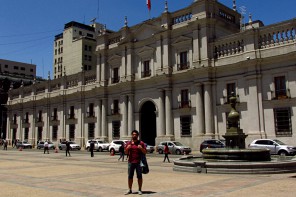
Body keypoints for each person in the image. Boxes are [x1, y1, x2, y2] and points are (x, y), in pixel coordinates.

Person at [124, 130, 146, 195]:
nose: (134, 135)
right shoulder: (129, 143)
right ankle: (129, 189)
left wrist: (141, 148)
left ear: (137, 135)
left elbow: (145, 152)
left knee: (139, 176)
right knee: (130, 176)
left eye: (135, 134)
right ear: (131, 135)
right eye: (133, 134)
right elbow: (125, 152)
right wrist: (127, 148)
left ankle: (139, 189)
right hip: (130, 162)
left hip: (139, 162)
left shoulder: (141, 143)